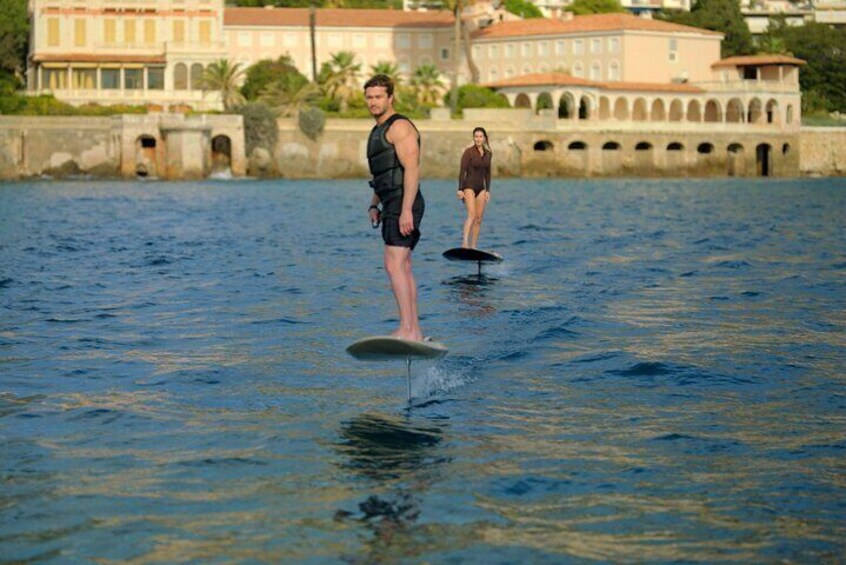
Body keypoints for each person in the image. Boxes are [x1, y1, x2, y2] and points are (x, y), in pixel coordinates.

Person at [364, 74, 426, 342]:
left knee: (394, 264)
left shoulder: (399, 127)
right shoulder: (377, 130)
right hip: (391, 203)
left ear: (390, 98)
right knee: (403, 265)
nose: (373, 102)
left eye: (378, 97)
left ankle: (407, 330)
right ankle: (414, 330)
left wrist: (406, 210)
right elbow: (384, 171)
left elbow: (412, 169)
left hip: (404, 203)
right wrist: (374, 204)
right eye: (369, 97)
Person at [457, 127, 492, 249]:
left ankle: (473, 246)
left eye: (480, 136)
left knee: (478, 219)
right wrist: (460, 189)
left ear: (484, 138)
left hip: (481, 188)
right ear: (473, 138)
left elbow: (488, 173)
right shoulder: (468, 152)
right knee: (471, 215)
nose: (478, 139)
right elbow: (462, 171)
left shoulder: (488, 154)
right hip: (469, 186)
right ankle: (465, 243)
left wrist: (487, 190)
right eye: (476, 136)